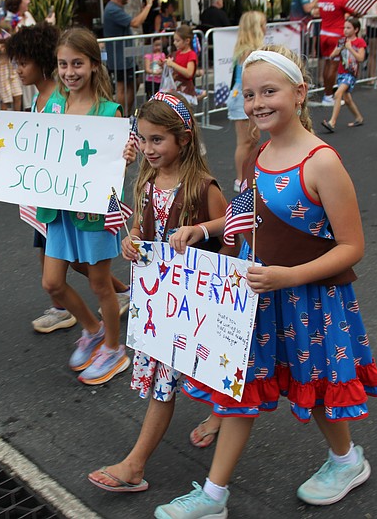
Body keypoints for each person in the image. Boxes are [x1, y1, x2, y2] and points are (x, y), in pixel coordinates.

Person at [153, 45, 377, 518]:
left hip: (310, 299)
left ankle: (346, 461)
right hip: (258, 295)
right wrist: (206, 229)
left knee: (316, 385)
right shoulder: (263, 151)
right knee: (239, 390)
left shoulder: (322, 162)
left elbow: (352, 247)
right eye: (250, 93)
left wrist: (290, 276)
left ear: (300, 94)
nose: (257, 102)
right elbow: (250, 213)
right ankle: (213, 498)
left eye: (269, 91)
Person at [86, 92, 229, 493]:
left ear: (183, 139)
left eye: (157, 140)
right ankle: (135, 464)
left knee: (208, 362)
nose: (148, 149)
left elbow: (230, 227)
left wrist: (200, 232)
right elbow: (142, 228)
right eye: (143, 139)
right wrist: (130, 239)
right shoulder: (148, 180)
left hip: (197, 300)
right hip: (162, 303)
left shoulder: (203, 187)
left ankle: (136, 463)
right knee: (166, 379)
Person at [0, 27, 130, 385]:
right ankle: (93, 329)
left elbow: (113, 164)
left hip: (93, 213)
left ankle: (114, 349)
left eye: (78, 63)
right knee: (52, 283)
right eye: (64, 64)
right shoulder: (51, 105)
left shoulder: (109, 111)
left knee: (100, 286)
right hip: (56, 211)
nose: (70, 71)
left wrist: (127, 153)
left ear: (94, 65)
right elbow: (30, 147)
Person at [103, 0, 156, 114]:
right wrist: (149, 5)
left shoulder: (115, 8)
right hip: (120, 58)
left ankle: (126, 114)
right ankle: (121, 116)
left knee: (135, 82)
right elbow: (136, 23)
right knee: (122, 87)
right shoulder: (112, 9)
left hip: (126, 56)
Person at [228, 11, 266, 190]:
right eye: (263, 24)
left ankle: (248, 177)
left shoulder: (248, 50)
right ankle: (240, 180)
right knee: (245, 141)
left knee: (253, 139)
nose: (266, 28)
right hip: (242, 98)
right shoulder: (248, 52)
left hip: (246, 97)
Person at [321, 18, 366, 132]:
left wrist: (350, 48)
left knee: (338, 93)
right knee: (347, 99)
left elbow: (361, 58)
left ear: (356, 29)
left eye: (348, 28)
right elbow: (331, 55)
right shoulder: (342, 41)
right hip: (342, 72)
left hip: (351, 73)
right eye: (344, 28)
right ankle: (359, 117)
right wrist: (339, 49)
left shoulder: (359, 42)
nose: (345, 30)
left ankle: (332, 122)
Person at [317, 0, 356, 106]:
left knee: (328, 63)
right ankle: (328, 96)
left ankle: (327, 95)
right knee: (334, 65)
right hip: (337, 35)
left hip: (324, 34)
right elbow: (355, 12)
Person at [164, 25, 198, 104]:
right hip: (175, 87)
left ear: (187, 41)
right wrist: (163, 63)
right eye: (174, 40)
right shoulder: (177, 53)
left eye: (177, 41)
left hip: (185, 89)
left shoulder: (191, 55)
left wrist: (172, 64)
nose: (174, 43)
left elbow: (189, 73)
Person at [0, 29, 23, 110]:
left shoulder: (12, 44)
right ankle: (4, 120)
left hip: (12, 71)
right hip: (2, 73)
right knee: (5, 99)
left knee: (18, 94)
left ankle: (17, 117)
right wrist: (3, 45)